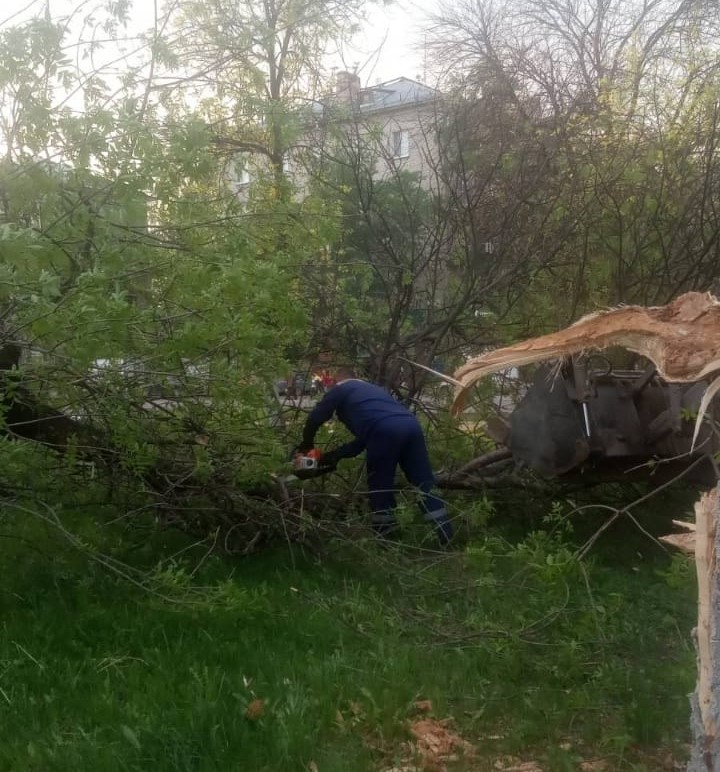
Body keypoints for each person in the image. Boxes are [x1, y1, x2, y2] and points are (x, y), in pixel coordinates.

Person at [296, 367, 453, 545]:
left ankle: (386, 540)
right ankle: (445, 536)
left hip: (383, 431)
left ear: (338, 381)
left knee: (380, 486)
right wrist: (333, 456)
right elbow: (365, 439)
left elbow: (316, 418)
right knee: (424, 482)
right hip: (411, 426)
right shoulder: (376, 392)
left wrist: (306, 444)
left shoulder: (341, 389)